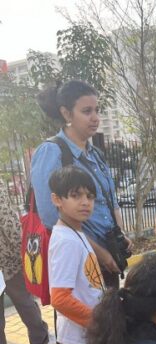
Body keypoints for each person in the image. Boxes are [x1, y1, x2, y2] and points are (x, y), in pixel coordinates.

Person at [31, 80, 132, 288]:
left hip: (108, 260)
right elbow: (51, 217)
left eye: (97, 110)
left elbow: (112, 202)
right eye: (87, 111)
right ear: (67, 114)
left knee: (109, 317)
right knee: (81, 318)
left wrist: (120, 236)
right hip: (78, 262)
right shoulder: (52, 152)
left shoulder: (96, 154)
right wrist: (98, 252)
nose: (95, 118)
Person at [48, 166, 105, 344]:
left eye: (89, 196)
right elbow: (60, 298)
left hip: (87, 336)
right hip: (78, 340)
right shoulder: (66, 241)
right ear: (57, 199)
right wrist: (100, 323)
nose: (85, 202)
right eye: (75, 195)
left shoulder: (76, 232)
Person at [0, 185, 55, 344]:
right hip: (5, 257)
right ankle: (40, 340)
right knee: (24, 299)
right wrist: (20, 249)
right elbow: (6, 220)